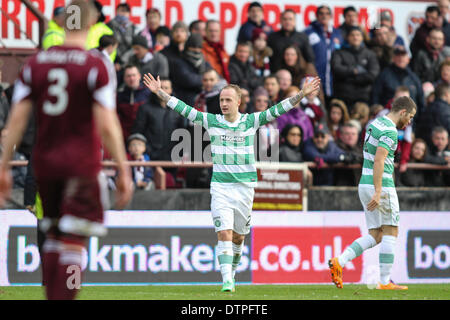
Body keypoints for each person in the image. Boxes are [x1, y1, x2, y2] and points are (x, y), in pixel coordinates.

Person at [0, 0, 133, 300]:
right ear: (90, 26)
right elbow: (108, 122)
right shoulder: (96, 64)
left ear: (60, 24)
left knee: (51, 233)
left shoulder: (35, 63)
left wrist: (4, 163)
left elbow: (17, 119)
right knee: (74, 239)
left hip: (45, 161)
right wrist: (123, 167)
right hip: (80, 162)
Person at [143, 71, 320, 292]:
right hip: (221, 186)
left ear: (238, 101)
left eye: (228, 100)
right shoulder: (211, 121)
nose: (224, 104)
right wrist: (160, 92)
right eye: (221, 100)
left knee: (238, 236)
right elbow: (184, 109)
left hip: (245, 188)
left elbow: (278, 109)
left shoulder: (251, 120)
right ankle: (227, 280)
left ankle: (232, 272)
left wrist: (301, 94)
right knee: (223, 232)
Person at [329, 96, 416, 290]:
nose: (409, 122)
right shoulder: (390, 131)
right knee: (391, 230)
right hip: (381, 184)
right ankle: (384, 281)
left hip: (364, 182)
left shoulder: (375, 123)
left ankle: (339, 261)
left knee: (376, 234)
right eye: (409, 117)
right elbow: (379, 160)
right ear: (402, 112)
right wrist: (379, 191)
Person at [331, 26, 379, 111]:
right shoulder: (339, 53)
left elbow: (373, 74)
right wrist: (354, 71)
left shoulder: (370, 54)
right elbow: (336, 69)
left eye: (358, 35)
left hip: (363, 98)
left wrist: (351, 77)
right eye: (352, 35)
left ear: (362, 37)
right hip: (344, 98)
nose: (355, 37)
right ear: (348, 38)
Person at [372, 45, 425, 116]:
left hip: (410, 120)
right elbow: (375, 95)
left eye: (403, 55)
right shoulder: (384, 75)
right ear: (393, 58)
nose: (400, 58)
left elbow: (420, 100)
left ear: (408, 59)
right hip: (388, 117)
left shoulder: (414, 77)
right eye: (398, 55)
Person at [305, 5, 343, 100]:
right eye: (321, 13)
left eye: (327, 13)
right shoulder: (309, 32)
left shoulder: (337, 33)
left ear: (331, 16)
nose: (324, 16)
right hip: (315, 78)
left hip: (334, 81)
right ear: (317, 16)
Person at [267, 9, 315, 73]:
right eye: (285, 19)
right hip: (277, 76)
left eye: (290, 19)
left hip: (297, 77)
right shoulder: (272, 37)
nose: (287, 22)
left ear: (295, 21)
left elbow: (310, 59)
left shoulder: (302, 37)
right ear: (280, 21)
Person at [171, 34, 210, 106]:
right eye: (193, 47)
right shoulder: (178, 63)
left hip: (202, 102)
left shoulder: (205, 63)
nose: (196, 50)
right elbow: (189, 80)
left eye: (199, 47)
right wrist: (207, 79)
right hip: (184, 103)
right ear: (188, 47)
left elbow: (216, 79)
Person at [117, 65, 151, 141]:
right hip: (125, 137)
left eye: (134, 75)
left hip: (146, 136)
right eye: (128, 76)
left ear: (139, 76)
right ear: (124, 78)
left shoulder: (149, 93)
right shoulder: (119, 96)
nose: (131, 78)